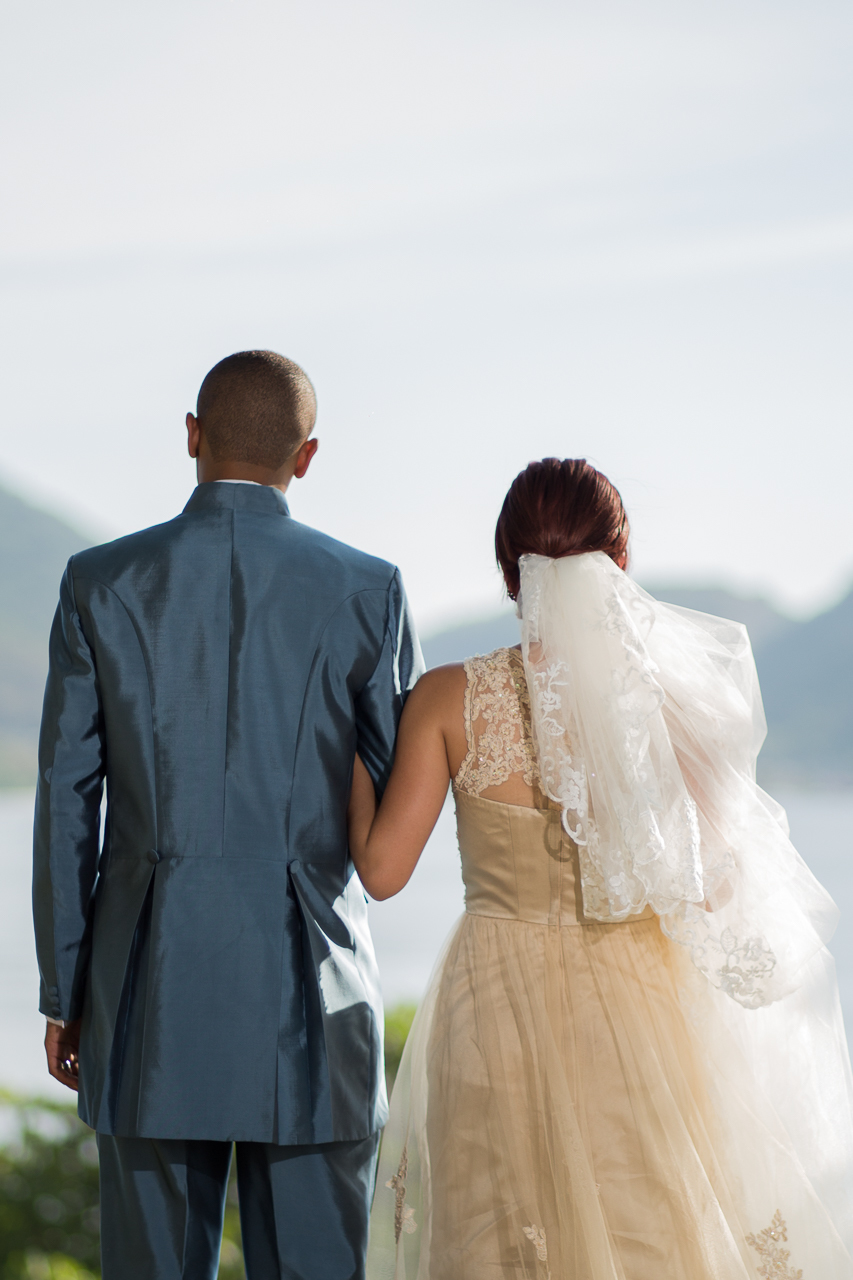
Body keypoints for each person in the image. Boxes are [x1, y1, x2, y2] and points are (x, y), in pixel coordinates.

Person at [351, 458, 853, 1278]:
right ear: (618, 565)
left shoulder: (447, 698)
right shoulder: (672, 706)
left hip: (493, 1006)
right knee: (649, 1234)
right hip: (642, 1005)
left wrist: (346, 761)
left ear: (508, 573)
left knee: (491, 1235)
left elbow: (380, 871)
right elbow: (717, 883)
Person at [32, 350, 423, 1280]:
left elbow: (64, 799)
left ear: (192, 436)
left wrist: (66, 990)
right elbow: (393, 785)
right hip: (315, 1000)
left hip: (145, 994)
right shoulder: (369, 590)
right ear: (309, 455)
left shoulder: (100, 581)